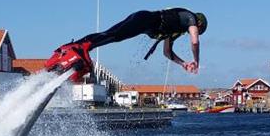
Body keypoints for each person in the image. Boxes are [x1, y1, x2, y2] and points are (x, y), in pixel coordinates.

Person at [45, 7, 207, 80]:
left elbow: (167, 53)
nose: (195, 31)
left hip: (142, 21)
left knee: (114, 36)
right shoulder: (190, 16)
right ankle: (76, 48)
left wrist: (183, 63)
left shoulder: (175, 30)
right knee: (114, 35)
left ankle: (78, 50)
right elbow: (195, 41)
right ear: (199, 24)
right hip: (144, 18)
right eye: (199, 30)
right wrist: (196, 62)